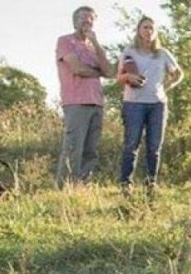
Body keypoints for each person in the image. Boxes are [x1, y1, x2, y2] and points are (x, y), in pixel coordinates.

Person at [117, 16, 183, 199]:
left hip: (157, 104)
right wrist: (129, 78)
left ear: (156, 32)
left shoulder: (162, 53)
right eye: (145, 27)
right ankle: (126, 185)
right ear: (138, 30)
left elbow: (178, 73)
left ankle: (150, 184)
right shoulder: (129, 52)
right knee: (131, 145)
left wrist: (166, 87)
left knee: (154, 146)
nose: (148, 31)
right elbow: (119, 77)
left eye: (152, 28)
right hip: (134, 103)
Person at [55, 6, 112, 189]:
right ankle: (64, 187)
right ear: (75, 21)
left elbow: (110, 71)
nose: (87, 22)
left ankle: (83, 186)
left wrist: (96, 45)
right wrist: (97, 72)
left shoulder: (94, 48)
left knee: (91, 150)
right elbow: (77, 68)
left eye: (91, 19)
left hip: (97, 102)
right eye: (83, 19)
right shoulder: (65, 41)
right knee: (73, 147)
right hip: (76, 101)